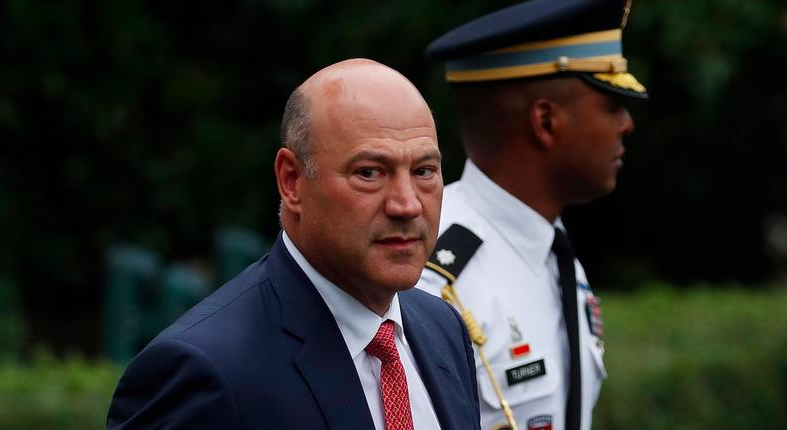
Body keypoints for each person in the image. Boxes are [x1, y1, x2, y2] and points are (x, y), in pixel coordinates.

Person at [107, 59, 481, 430]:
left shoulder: (442, 328)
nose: (408, 204)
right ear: (292, 181)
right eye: (369, 172)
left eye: (424, 171)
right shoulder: (205, 373)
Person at [415, 1, 648, 430]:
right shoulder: (430, 275)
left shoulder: (552, 250)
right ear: (545, 121)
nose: (626, 124)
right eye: (612, 105)